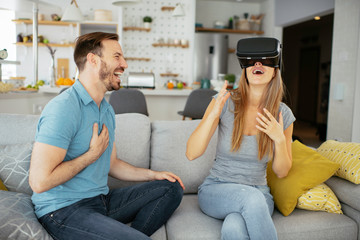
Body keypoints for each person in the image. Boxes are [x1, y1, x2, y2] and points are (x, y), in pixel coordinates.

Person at [29, 32, 184, 240]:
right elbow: (39, 182)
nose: (125, 64)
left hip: (100, 201)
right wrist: (90, 155)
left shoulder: (106, 110)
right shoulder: (63, 108)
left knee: (171, 188)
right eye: (117, 57)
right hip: (63, 210)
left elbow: (112, 164)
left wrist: (153, 174)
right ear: (93, 60)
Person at [186, 37, 295, 240]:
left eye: (264, 60)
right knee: (251, 200)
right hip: (217, 188)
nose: (258, 64)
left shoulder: (283, 114)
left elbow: (282, 172)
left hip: (259, 192)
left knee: (233, 229)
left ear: (275, 69)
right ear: (244, 68)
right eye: (252, 61)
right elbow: (192, 153)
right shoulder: (224, 103)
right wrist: (213, 114)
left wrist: (279, 140)